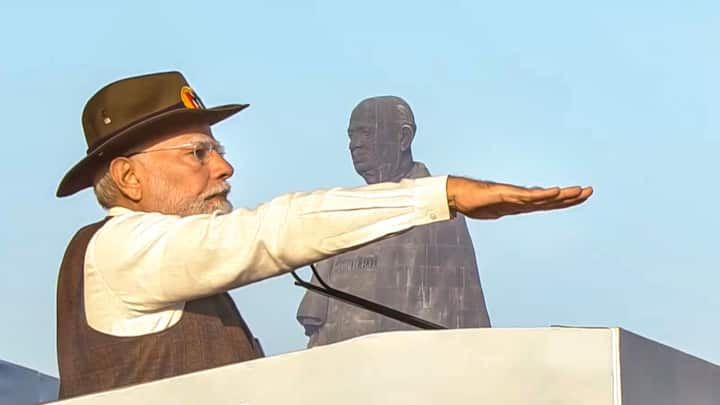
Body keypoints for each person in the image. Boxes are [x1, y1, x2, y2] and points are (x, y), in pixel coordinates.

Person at [55, 71, 592, 399]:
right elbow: (273, 231)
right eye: (198, 153)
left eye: (218, 150)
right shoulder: (123, 251)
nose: (223, 168)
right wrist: (442, 194)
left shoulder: (169, 266)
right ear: (128, 176)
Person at [297, 96, 490, 347]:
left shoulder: (438, 212)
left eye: (365, 133)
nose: (354, 145)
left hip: (410, 366)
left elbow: (467, 314)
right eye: (351, 136)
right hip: (340, 368)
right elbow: (315, 317)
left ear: (403, 138)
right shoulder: (343, 214)